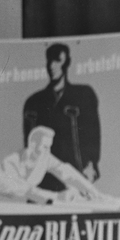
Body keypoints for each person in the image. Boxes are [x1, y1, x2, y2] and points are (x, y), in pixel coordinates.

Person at [22, 42, 102, 191]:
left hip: (76, 177)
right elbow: (29, 145)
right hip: (43, 180)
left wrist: (91, 165)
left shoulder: (83, 95)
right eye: (49, 61)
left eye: (57, 60)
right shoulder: (34, 102)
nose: (52, 66)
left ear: (67, 63)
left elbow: (92, 133)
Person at [0, 125, 120, 208]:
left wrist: (95, 193)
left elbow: (68, 173)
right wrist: (59, 197)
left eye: (49, 147)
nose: (48, 151)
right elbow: (28, 191)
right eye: (45, 147)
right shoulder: (11, 162)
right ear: (32, 144)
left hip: (16, 209)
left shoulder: (44, 157)